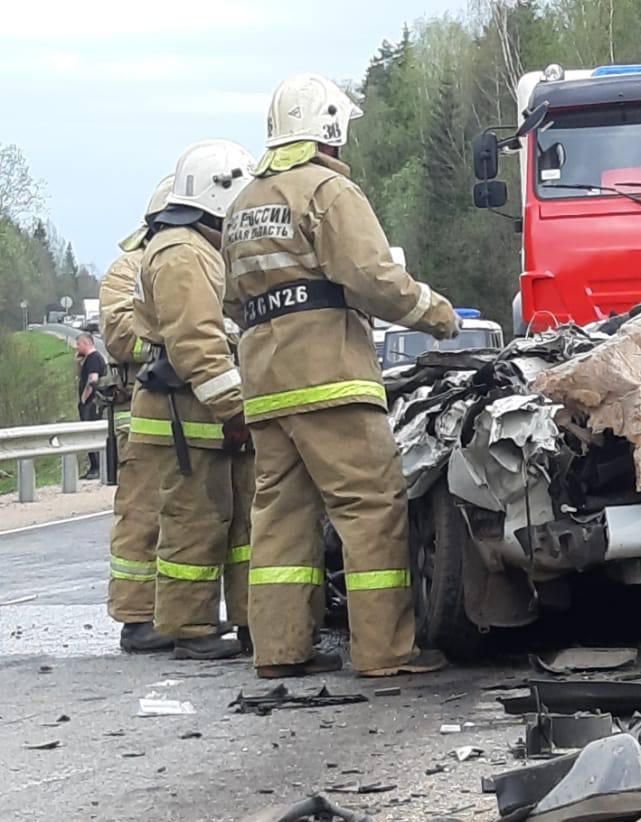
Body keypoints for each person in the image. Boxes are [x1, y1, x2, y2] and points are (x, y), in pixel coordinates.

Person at [223, 73, 459, 679]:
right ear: (327, 128)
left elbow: (231, 298)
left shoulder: (244, 204)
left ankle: (278, 650)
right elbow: (372, 277)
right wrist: (436, 314)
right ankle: (385, 651)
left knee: (279, 517)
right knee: (371, 506)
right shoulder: (328, 192)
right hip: (330, 378)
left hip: (266, 386)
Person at [130, 140, 255, 660]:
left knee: (230, 520)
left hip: (195, 412)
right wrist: (238, 410)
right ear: (220, 194)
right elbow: (198, 345)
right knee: (194, 521)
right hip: (190, 413)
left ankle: (250, 619)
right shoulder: (183, 253)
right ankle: (191, 628)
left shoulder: (193, 247)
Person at [99, 176, 173, 652]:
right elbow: (123, 335)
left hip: (191, 410)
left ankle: (184, 613)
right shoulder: (129, 269)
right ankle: (136, 617)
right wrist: (178, 337)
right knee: (142, 515)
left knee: (193, 518)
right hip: (140, 414)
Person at [75, 334, 107, 480]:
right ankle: (95, 467)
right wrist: (78, 363)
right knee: (90, 435)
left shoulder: (93, 358)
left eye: (78, 345)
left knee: (90, 435)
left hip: (91, 403)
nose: (77, 348)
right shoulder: (91, 359)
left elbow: (93, 379)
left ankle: (96, 468)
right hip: (93, 403)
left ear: (85, 343)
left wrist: (83, 398)